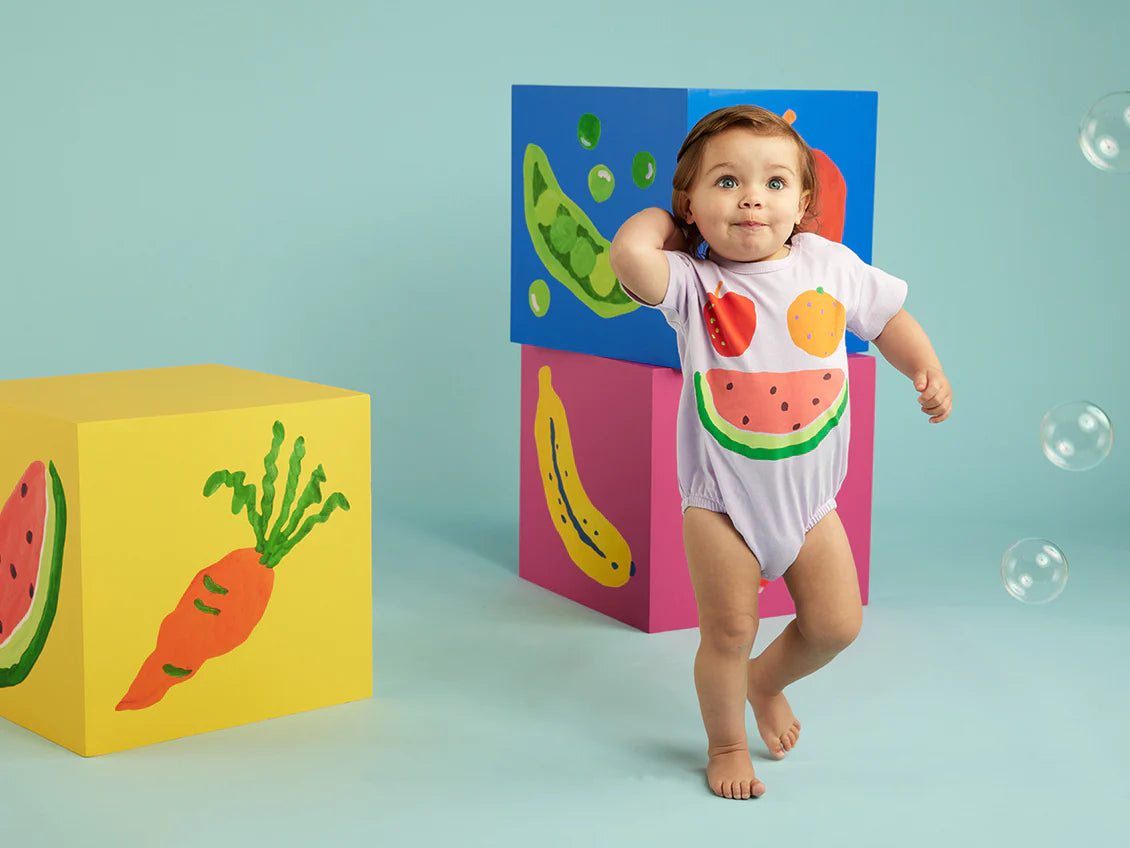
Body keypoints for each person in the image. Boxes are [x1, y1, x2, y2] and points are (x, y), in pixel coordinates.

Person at [608, 105, 952, 800]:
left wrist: (925, 366)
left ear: (801, 204)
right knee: (728, 631)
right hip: (721, 502)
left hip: (810, 502)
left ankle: (764, 682)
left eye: (773, 182)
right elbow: (629, 258)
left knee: (836, 625)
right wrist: (667, 225)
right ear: (692, 206)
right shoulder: (693, 284)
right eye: (726, 182)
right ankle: (726, 742)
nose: (751, 199)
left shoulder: (832, 266)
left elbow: (888, 319)